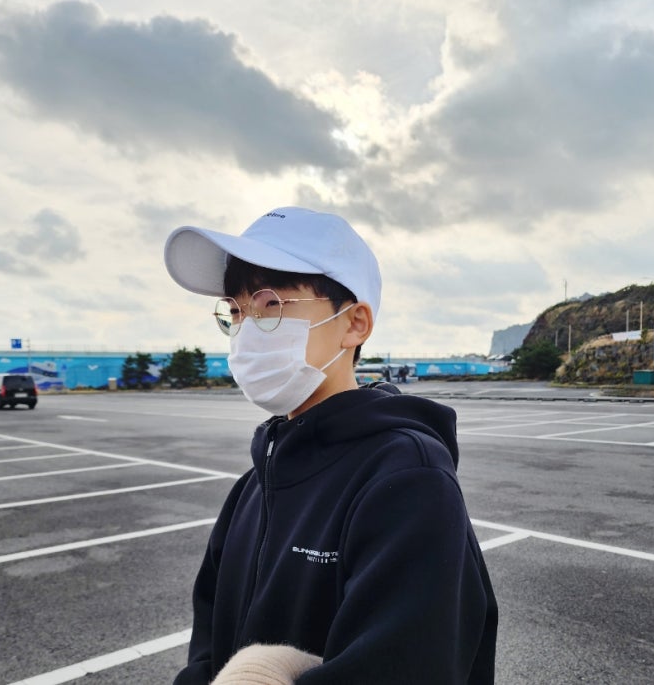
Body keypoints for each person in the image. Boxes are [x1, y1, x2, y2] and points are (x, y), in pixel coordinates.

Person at [164, 206, 498, 685]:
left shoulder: (409, 481)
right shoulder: (251, 489)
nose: (247, 329)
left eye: (271, 304)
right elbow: (207, 651)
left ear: (354, 323)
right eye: (235, 311)